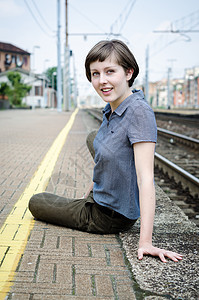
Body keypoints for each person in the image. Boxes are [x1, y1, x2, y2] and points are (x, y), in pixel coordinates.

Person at [29, 39, 183, 263]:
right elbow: (103, 156)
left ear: (129, 72)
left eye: (110, 71)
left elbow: (146, 178)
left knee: (37, 201)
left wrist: (145, 242)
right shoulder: (114, 107)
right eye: (95, 74)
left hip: (109, 215)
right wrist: (89, 191)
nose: (102, 81)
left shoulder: (139, 112)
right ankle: (93, 194)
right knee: (95, 138)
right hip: (103, 194)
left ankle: (91, 204)